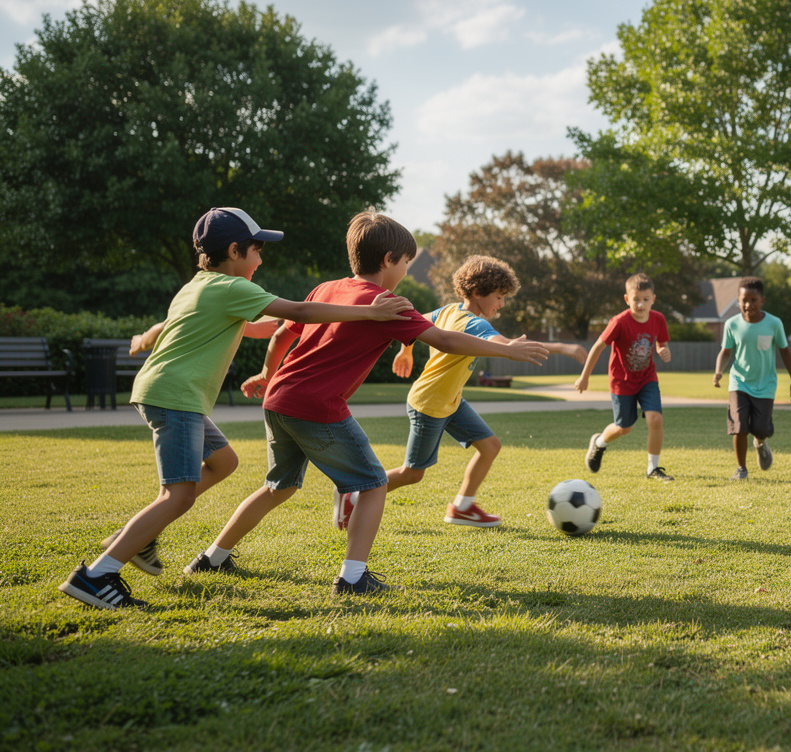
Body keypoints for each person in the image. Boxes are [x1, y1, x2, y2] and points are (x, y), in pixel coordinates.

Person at [58, 207, 415, 609]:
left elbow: (264, 328)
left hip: (167, 394)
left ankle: (139, 537)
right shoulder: (232, 289)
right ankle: (96, 576)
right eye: (257, 250)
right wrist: (371, 312)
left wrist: (145, 336)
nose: (261, 260)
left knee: (224, 462)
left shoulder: (198, 286)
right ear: (234, 250)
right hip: (175, 399)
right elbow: (297, 312)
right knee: (177, 496)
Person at [185, 212, 548, 596]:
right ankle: (353, 577)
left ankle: (213, 557)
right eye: (407, 262)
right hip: (317, 405)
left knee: (279, 486)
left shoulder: (325, 289)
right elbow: (445, 340)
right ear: (390, 259)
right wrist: (508, 351)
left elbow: (281, 335)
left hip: (279, 399)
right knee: (374, 484)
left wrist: (265, 374)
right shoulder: (387, 304)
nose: (407, 270)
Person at [334, 255, 587, 530]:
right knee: (413, 473)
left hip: (450, 401)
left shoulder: (447, 311)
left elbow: (415, 322)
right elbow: (506, 344)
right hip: (429, 404)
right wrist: (564, 347)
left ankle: (462, 506)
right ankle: (354, 494)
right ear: (477, 292)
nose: (502, 304)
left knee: (490, 446)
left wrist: (405, 349)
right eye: (499, 296)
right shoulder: (475, 324)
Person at [574, 273, 674, 481]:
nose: (640, 304)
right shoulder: (619, 322)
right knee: (623, 428)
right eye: (636, 299)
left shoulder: (658, 319)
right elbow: (598, 346)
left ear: (653, 299)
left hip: (647, 378)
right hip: (622, 382)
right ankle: (599, 443)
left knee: (655, 419)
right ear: (627, 299)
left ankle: (653, 469)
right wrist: (585, 376)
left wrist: (664, 350)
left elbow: (661, 343)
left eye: (645, 299)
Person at [712, 276, 791, 480]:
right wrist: (718, 372)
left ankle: (760, 442)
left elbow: (785, 352)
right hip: (739, 382)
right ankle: (741, 469)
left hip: (765, 384)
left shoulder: (774, 324)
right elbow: (725, 352)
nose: (748, 305)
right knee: (739, 426)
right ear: (738, 300)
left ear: (762, 301)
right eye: (744, 300)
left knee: (760, 428)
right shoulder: (732, 324)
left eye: (753, 300)